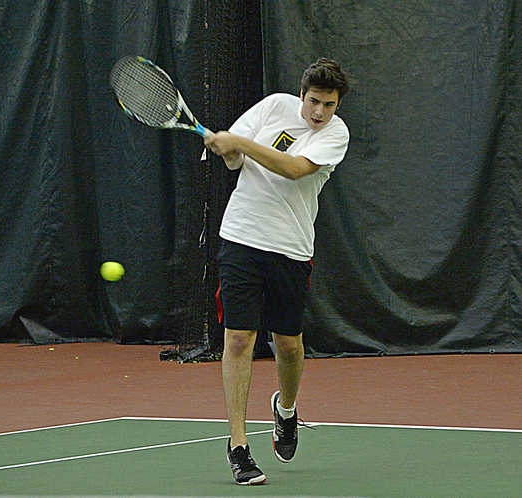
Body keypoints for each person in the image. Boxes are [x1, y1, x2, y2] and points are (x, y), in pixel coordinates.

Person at [203, 58, 350, 485]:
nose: (319, 112)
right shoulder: (272, 108)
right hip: (242, 238)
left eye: (329, 104)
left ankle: (285, 409)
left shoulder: (335, 136)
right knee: (239, 339)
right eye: (313, 101)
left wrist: (241, 144)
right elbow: (234, 160)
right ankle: (238, 447)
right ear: (301, 94)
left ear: (338, 105)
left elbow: (293, 169)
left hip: (291, 249)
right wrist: (227, 147)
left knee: (288, 345)